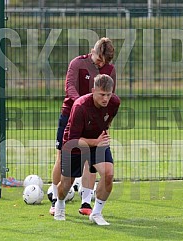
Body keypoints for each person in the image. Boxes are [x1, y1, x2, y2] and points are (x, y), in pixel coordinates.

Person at [49, 37, 116, 216]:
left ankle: (86, 201)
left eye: (105, 62)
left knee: (91, 160)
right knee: (63, 157)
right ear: (92, 52)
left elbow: (110, 95)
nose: (102, 65)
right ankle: (56, 199)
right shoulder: (78, 63)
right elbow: (69, 87)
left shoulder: (109, 69)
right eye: (99, 60)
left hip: (95, 121)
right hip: (70, 115)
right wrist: (83, 103)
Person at [54, 74, 120, 225]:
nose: (105, 99)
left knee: (108, 174)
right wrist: (95, 141)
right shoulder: (80, 106)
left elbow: (107, 119)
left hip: (98, 142)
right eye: (102, 95)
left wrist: (101, 135)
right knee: (66, 184)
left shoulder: (115, 102)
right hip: (74, 144)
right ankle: (59, 204)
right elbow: (73, 140)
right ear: (93, 90)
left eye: (108, 95)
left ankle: (96, 213)